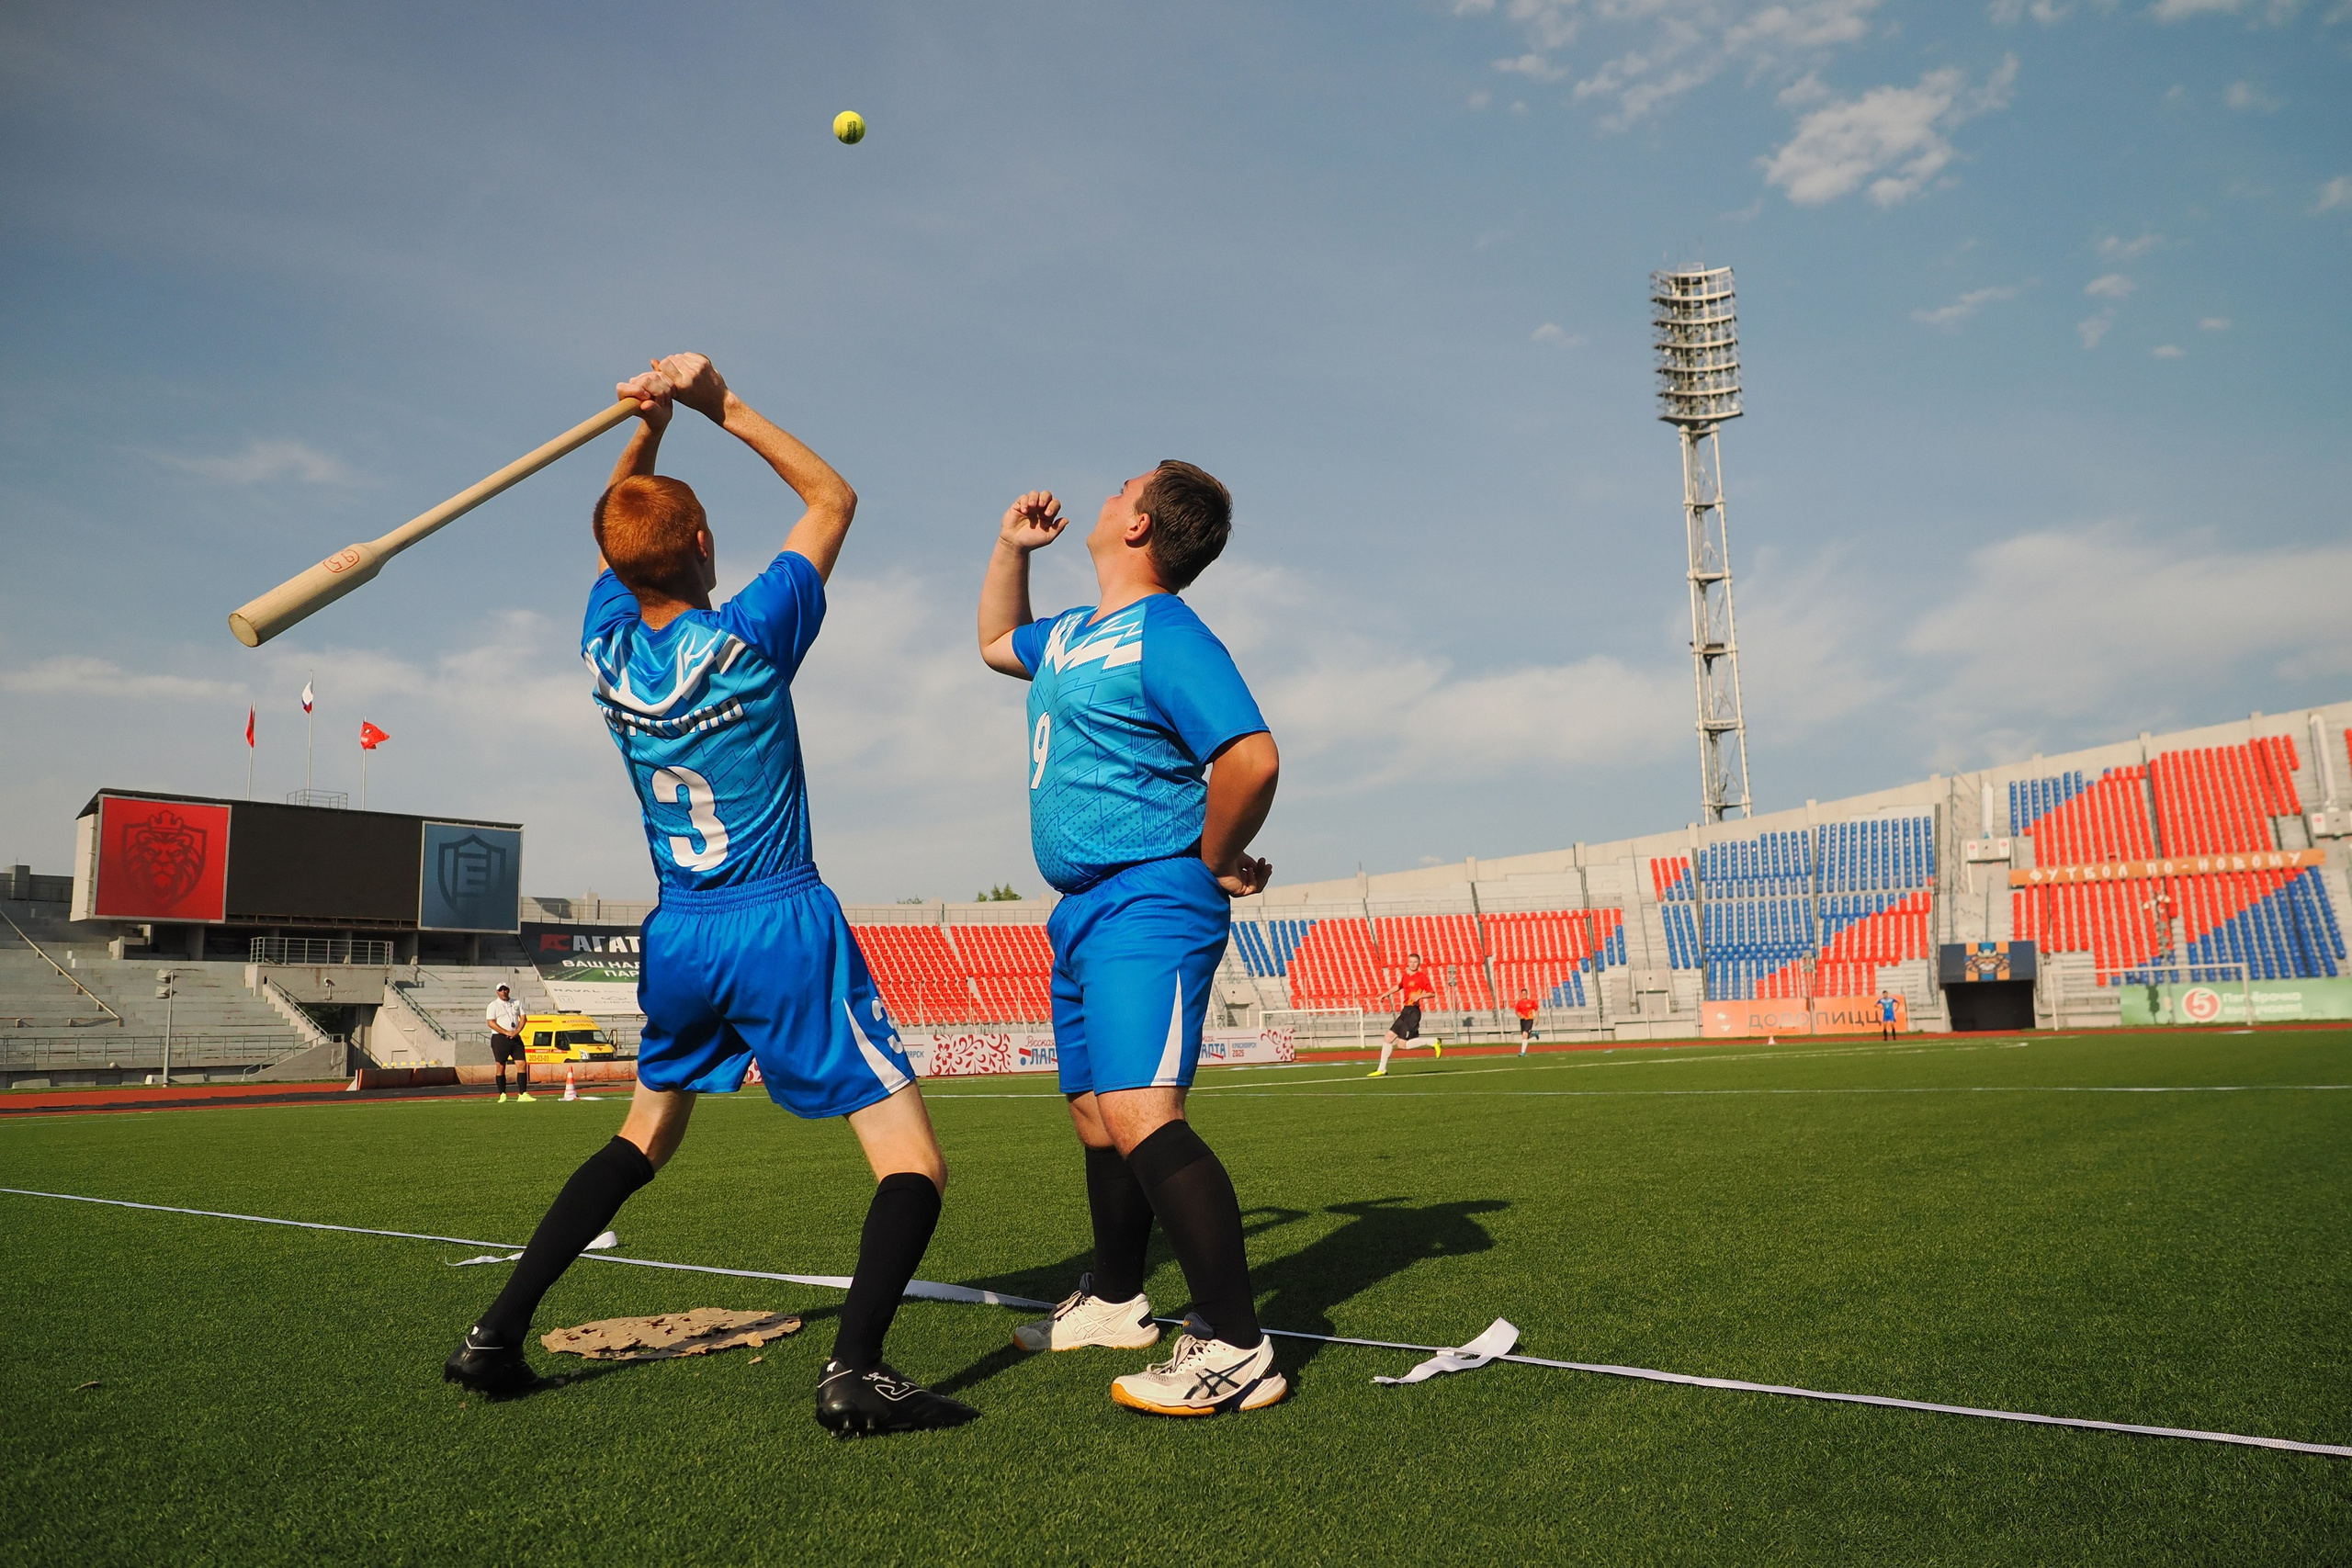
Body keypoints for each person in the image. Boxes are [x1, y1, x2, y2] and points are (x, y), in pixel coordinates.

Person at [445, 355, 975, 1438]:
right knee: (913, 1162)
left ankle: (493, 1336)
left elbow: (617, 526)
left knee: (643, 1136)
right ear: (701, 546)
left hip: (678, 929)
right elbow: (832, 497)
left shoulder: (600, 647)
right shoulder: (745, 640)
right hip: (778, 917)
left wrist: (644, 430)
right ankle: (855, 1371)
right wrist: (713, 402)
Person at [977, 464, 1286, 1417]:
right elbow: (994, 641)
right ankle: (1115, 1299)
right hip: (1080, 907)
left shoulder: (1167, 632)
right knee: (1095, 1117)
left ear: (1140, 524)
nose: (1102, 498)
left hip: (1152, 897)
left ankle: (1237, 1345)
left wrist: (1213, 853)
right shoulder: (1071, 631)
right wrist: (1009, 550)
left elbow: (1250, 755)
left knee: (1144, 1114)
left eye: (1119, 490)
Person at [1367, 952, 1441, 1077]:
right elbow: (1399, 986)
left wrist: (1420, 996)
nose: (1413, 964)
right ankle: (1381, 1069)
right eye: (1411, 962)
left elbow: (1432, 993)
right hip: (1405, 1011)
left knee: (1402, 1045)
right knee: (1388, 1038)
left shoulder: (1421, 977)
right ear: (1407, 962)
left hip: (1413, 1012)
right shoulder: (1406, 976)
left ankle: (1433, 1041)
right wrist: (1385, 994)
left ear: (1419, 963)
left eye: (1415, 962)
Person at [486, 983, 530, 1101]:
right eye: (501, 990)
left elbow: (524, 1018)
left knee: (522, 1064)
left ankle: (523, 1093)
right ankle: (502, 1094)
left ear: (508, 990)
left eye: (505, 989)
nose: (504, 991)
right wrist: (506, 1032)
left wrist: (517, 1031)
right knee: (501, 1066)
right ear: (497, 992)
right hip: (500, 1038)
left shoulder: (516, 1002)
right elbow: (491, 1022)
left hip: (515, 1037)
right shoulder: (493, 1005)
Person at [1513, 991, 1538, 1055]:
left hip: (1529, 1020)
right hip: (1522, 1021)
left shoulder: (1531, 1002)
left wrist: (1537, 1019)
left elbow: (1536, 1010)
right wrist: (1519, 1016)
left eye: (1525, 993)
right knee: (1525, 1036)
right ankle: (1534, 1034)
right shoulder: (1519, 1003)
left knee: (1524, 1034)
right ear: (1521, 994)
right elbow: (1516, 1011)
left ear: (1527, 994)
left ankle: (1523, 1052)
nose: (1524, 994)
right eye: (1523, 993)